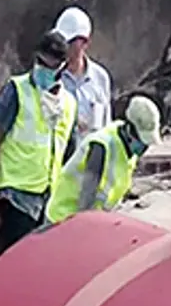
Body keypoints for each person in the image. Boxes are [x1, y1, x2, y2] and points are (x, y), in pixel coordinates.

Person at [0, 30, 78, 254]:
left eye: (50, 66)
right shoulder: (17, 91)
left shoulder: (69, 104)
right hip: (15, 197)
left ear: (62, 69)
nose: (43, 69)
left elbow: (69, 153)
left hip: (49, 200)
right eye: (40, 62)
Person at [43, 95, 161, 225]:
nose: (144, 148)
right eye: (141, 141)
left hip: (97, 219)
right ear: (129, 129)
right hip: (65, 219)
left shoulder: (127, 148)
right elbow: (86, 201)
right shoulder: (101, 146)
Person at [53, 6, 112, 136]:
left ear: (85, 42)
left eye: (70, 41)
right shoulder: (51, 78)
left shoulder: (100, 78)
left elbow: (106, 126)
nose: (65, 46)